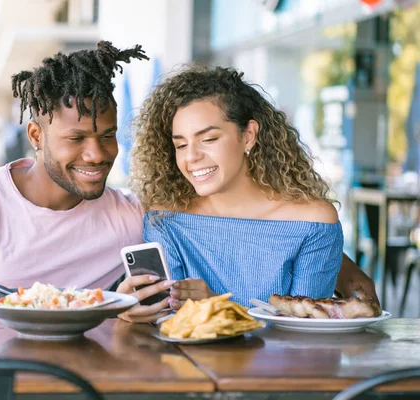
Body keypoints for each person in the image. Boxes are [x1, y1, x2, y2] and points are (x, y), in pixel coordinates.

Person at [0, 42, 377, 322]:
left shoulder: (134, 212)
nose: (96, 154)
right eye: (76, 138)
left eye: (108, 135)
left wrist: (341, 263)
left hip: (91, 375)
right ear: (36, 134)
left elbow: (268, 233)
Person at [127, 65, 371, 312]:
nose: (191, 157)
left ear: (248, 135)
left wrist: (221, 307)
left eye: (209, 139)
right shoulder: (165, 220)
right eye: (180, 145)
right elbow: (167, 320)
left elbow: (304, 332)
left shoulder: (313, 222)